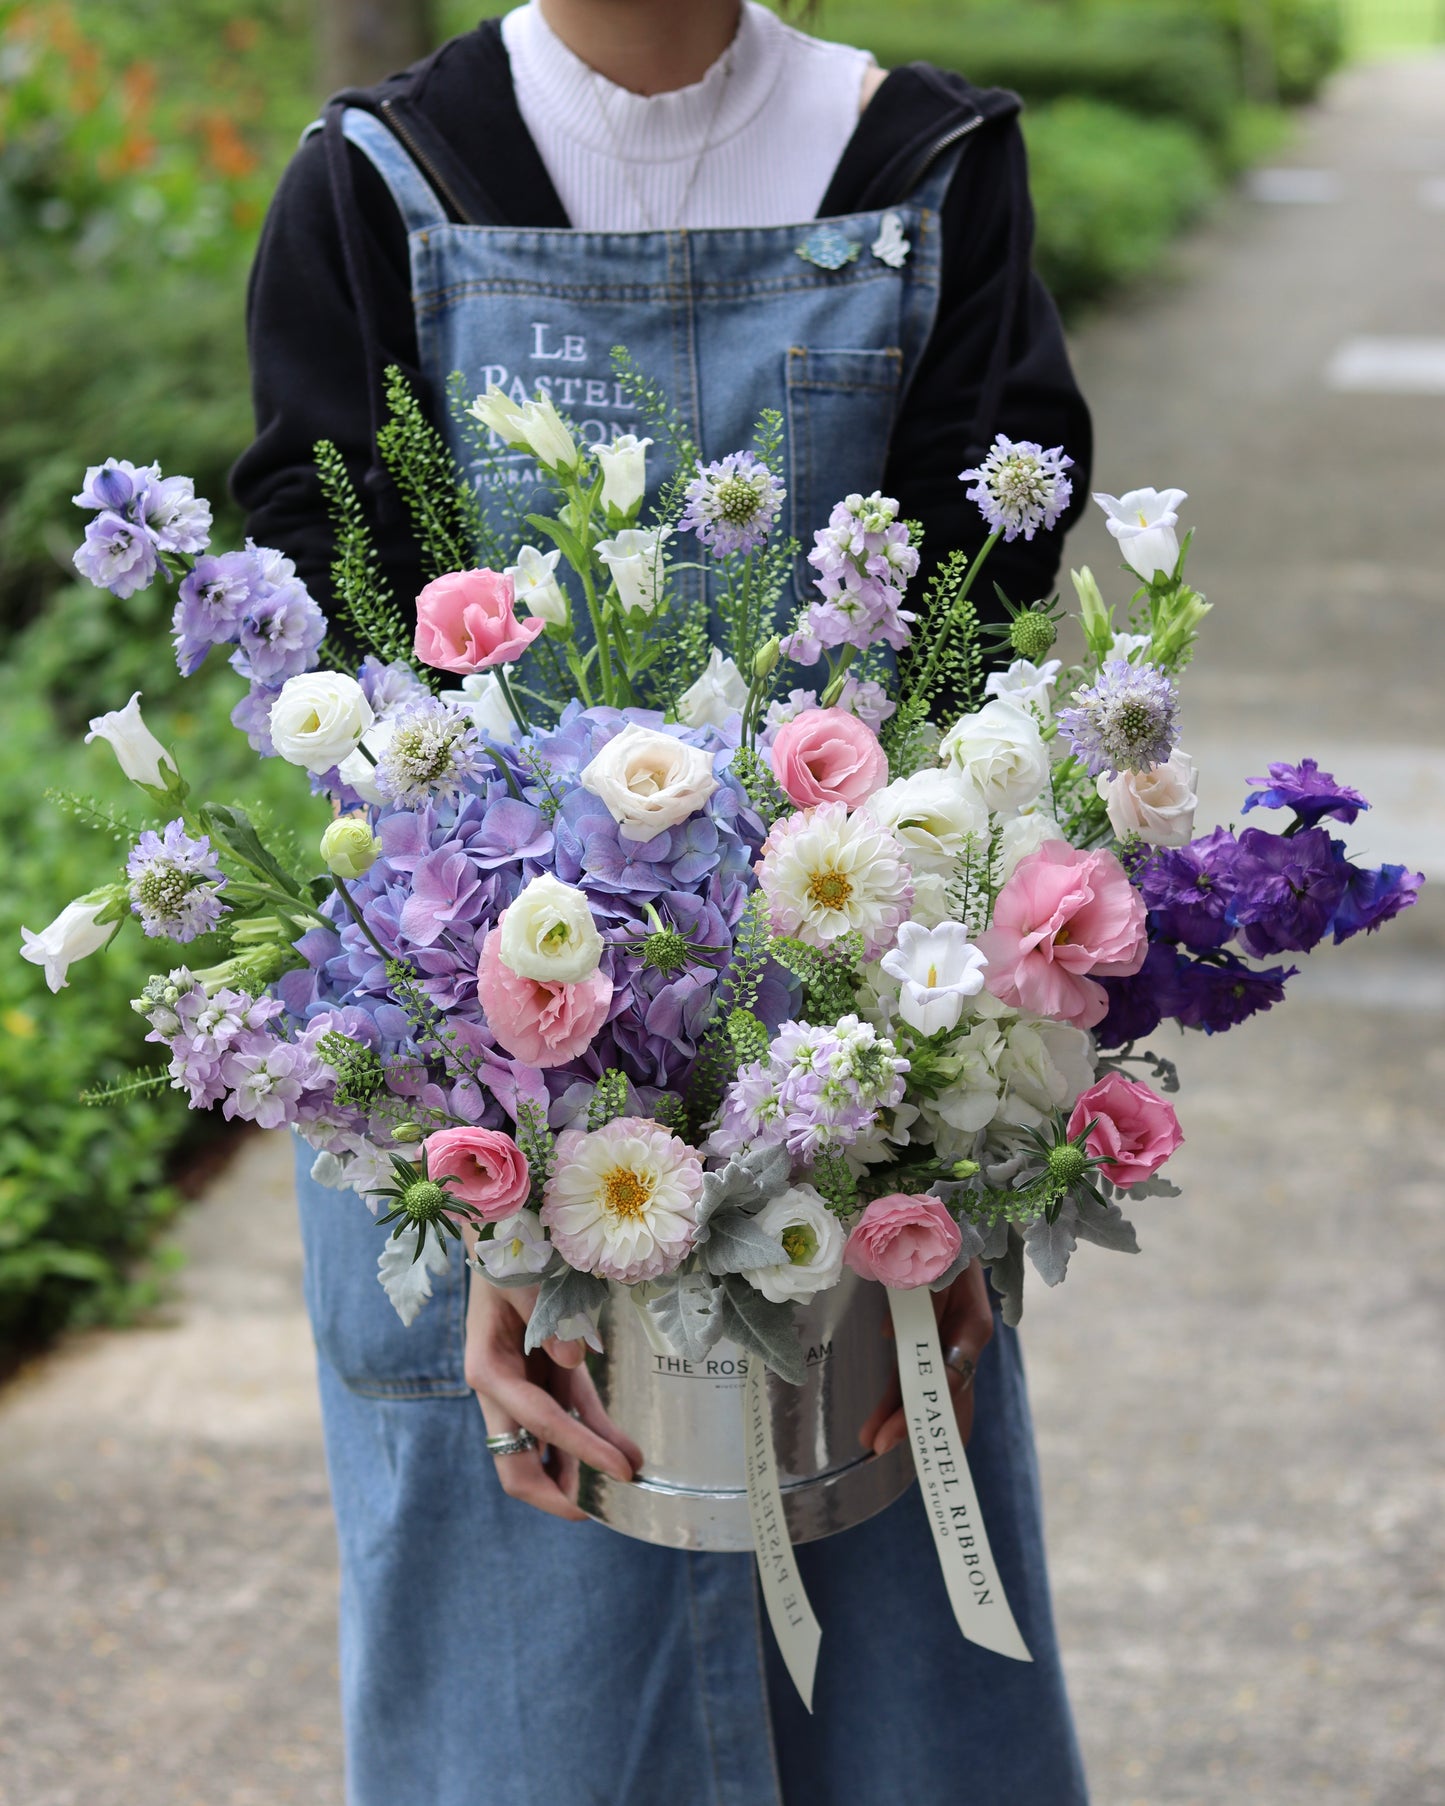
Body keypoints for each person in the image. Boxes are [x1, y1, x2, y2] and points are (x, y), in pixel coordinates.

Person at [234, 4, 1094, 1802]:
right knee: (533, 1735)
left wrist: (954, 1154)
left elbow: (964, 691)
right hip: (475, 1113)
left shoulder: (928, 173)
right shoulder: (372, 186)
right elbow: (356, 701)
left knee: (899, 1726)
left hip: (854, 1107)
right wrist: (482, 1198)